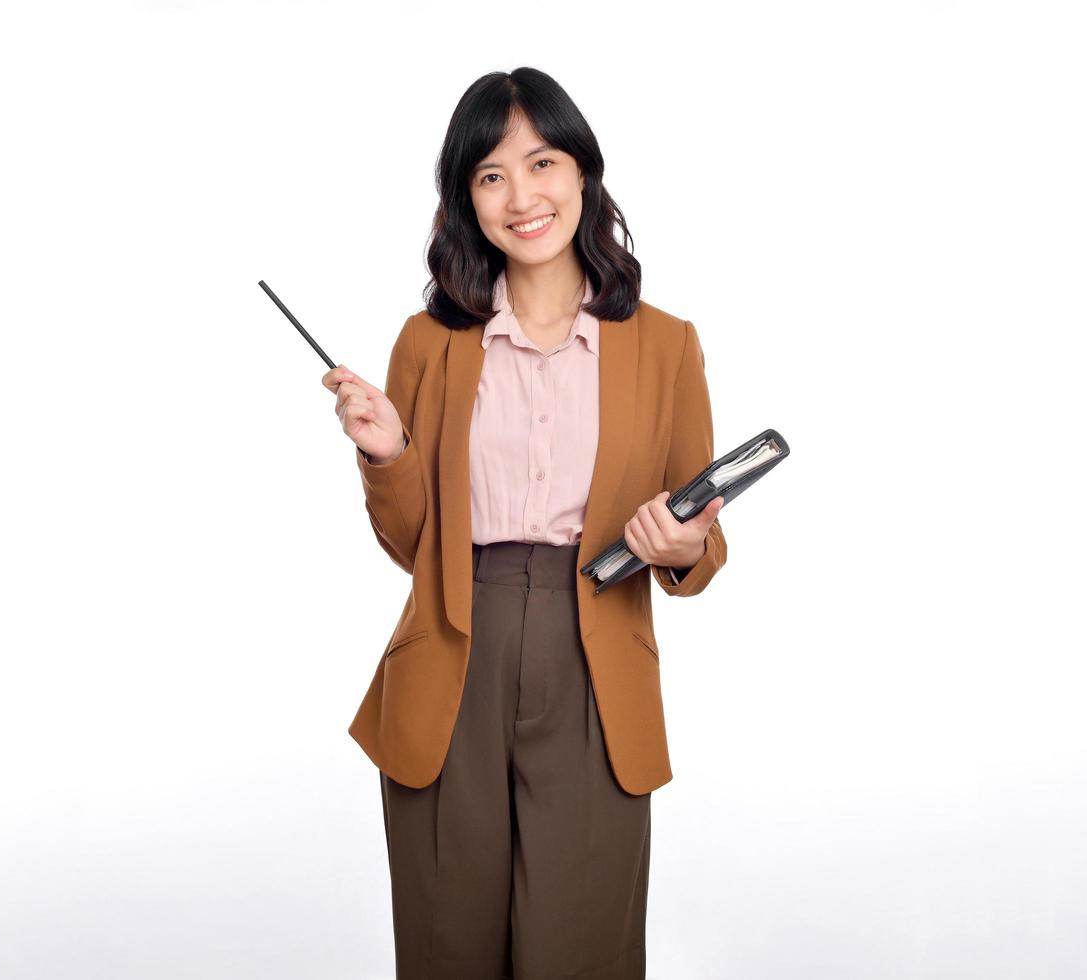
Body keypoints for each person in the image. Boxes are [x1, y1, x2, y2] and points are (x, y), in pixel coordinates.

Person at [321, 67, 727, 980]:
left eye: (541, 162)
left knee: (577, 951)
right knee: (448, 946)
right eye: (491, 175)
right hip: (452, 655)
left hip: (597, 656)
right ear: (467, 200)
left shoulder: (667, 345)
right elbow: (411, 546)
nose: (522, 195)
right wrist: (386, 456)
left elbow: (702, 535)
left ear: (583, 173)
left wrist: (686, 546)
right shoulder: (429, 343)